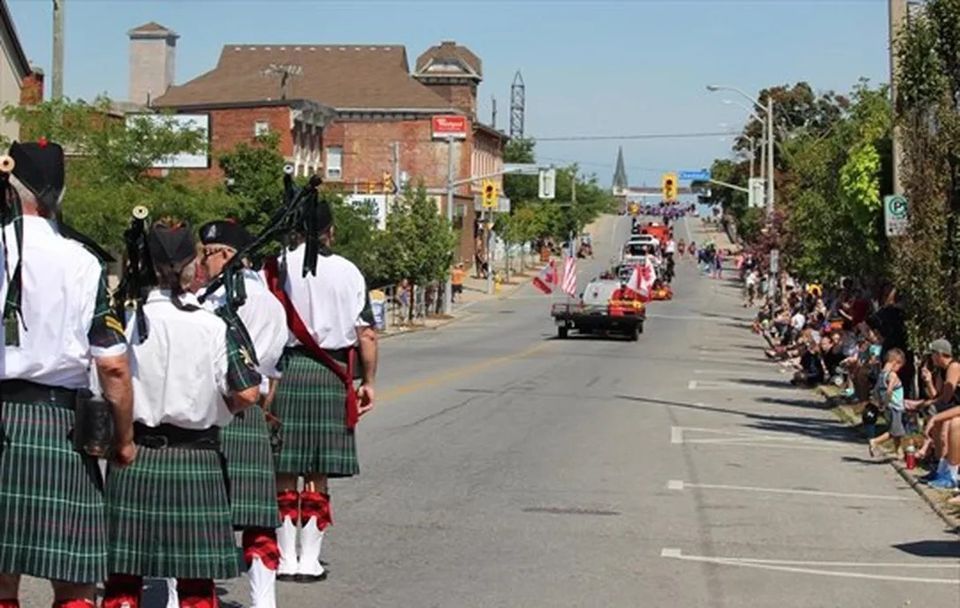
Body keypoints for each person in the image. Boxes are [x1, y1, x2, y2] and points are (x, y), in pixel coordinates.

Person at [0, 140, 134, 608]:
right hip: (60, 427)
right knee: (75, 579)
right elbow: (113, 365)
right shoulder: (83, 262)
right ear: (59, 194)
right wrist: (124, 439)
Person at [102, 221, 261, 608]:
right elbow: (248, 391)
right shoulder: (212, 323)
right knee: (195, 585)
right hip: (197, 457)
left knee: (123, 578)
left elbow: (108, 380)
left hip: (136, 455)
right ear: (192, 267)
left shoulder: (125, 320)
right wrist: (219, 409)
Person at [262, 198, 378, 583]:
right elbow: (367, 335)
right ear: (331, 230)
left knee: (283, 468)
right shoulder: (349, 271)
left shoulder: (276, 268)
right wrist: (369, 382)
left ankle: (282, 557)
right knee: (317, 471)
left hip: (285, 371)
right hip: (331, 374)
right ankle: (309, 559)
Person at [195, 220, 288, 608]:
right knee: (256, 517)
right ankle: (263, 601)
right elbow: (274, 371)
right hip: (251, 413)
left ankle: (191, 599)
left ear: (227, 254)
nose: (201, 262)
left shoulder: (211, 300)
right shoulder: (271, 301)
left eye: (206, 253)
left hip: (213, 410)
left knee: (199, 517)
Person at [908, 339, 960, 488]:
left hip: (954, 407)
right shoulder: (940, 371)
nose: (931, 358)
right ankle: (939, 468)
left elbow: (946, 397)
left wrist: (921, 404)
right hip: (948, 407)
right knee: (937, 425)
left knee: (946, 427)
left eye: (932, 354)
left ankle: (949, 473)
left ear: (939, 354)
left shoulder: (954, 366)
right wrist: (928, 381)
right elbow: (936, 396)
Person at [868, 349, 907, 458]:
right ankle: (875, 441)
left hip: (888, 407)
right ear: (895, 362)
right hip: (895, 407)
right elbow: (889, 391)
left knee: (896, 429)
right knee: (894, 431)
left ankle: (899, 452)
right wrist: (886, 402)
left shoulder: (881, 375)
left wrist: (879, 402)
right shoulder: (892, 375)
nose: (899, 369)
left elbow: (876, 391)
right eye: (900, 366)